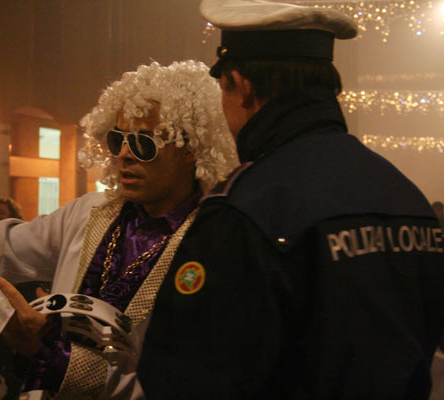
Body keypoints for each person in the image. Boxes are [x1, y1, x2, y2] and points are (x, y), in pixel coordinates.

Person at [137, 1, 444, 399]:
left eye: (224, 90)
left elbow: (184, 372)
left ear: (242, 87)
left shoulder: (248, 206)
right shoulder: (405, 196)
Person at [0, 60, 238, 399]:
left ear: (189, 148)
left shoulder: (214, 241)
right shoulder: (91, 212)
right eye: (118, 140)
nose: (125, 155)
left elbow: (188, 379)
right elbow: (2, 245)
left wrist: (52, 354)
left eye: (144, 143)